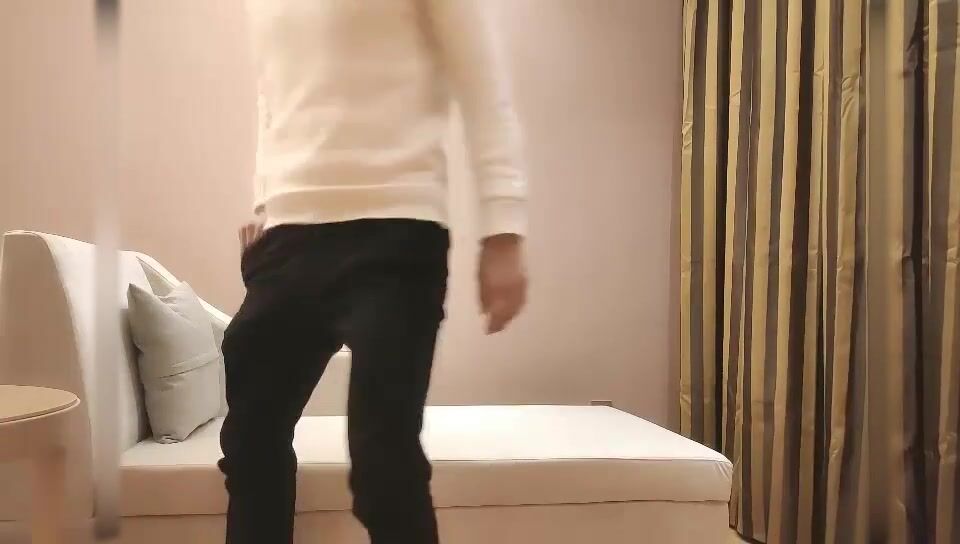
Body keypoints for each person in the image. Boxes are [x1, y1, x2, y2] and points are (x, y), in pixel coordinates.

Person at [218, 1, 529, 543]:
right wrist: (265, 202)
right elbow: (274, 96)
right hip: (288, 237)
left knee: (384, 467)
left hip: (395, 230)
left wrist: (503, 229)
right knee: (250, 441)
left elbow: (483, 84)